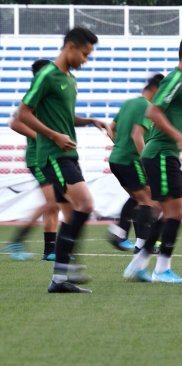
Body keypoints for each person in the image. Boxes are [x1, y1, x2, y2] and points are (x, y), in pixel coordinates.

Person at [18, 27, 110, 293]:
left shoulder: (70, 79)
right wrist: (53, 136)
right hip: (53, 156)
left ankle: (61, 277)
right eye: (84, 54)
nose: (86, 60)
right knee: (85, 204)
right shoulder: (47, 75)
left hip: (69, 154)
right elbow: (23, 113)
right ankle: (64, 269)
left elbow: (66, 118)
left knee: (72, 213)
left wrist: (91, 120)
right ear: (70, 47)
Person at [138, 33, 182, 283]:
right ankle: (161, 270)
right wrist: (179, 138)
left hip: (163, 153)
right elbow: (153, 111)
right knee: (175, 212)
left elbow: (168, 115)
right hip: (162, 152)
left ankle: (138, 265)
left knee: (164, 211)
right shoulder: (176, 79)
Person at [105, 74, 165, 282]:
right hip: (131, 160)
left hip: (116, 159)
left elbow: (110, 128)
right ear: (156, 89)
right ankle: (137, 244)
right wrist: (145, 161)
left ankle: (121, 232)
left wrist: (119, 146)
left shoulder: (129, 103)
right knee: (151, 201)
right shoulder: (147, 106)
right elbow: (137, 136)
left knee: (139, 199)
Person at [4, 59, 59, 261]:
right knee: (54, 201)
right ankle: (17, 241)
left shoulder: (46, 96)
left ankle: (49, 251)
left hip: (48, 156)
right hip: (37, 158)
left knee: (54, 204)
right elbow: (15, 122)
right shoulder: (35, 94)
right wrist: (43, 137)